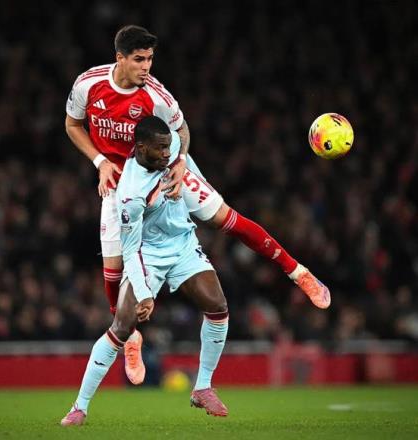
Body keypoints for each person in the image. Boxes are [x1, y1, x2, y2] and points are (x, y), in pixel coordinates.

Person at [65, 25, 330, 385]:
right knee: (112, 268)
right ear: (120, 58)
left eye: (150, 59)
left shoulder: (156, 94)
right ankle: (131, 338)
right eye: (139, 59)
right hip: (120, 182)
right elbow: (72, 124)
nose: (146, 67)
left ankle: (298, 272)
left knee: (226, 219)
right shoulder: (88, 84)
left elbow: (182, 130)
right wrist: (99, 162)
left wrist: (178, 164)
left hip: (165, 169)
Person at [61, 116, 230, 426]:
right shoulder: (130, 194)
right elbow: (131, 249)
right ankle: (79, 407)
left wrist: (182, 159)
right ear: (140, 148)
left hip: (182, 244)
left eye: (168, 147)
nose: (167, 153)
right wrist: (143, 293)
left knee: (217, 306)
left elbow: (182, 133)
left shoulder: (170, 148)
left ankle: (203, 387)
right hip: (148, 253)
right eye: (161, 148)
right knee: (122, 326)